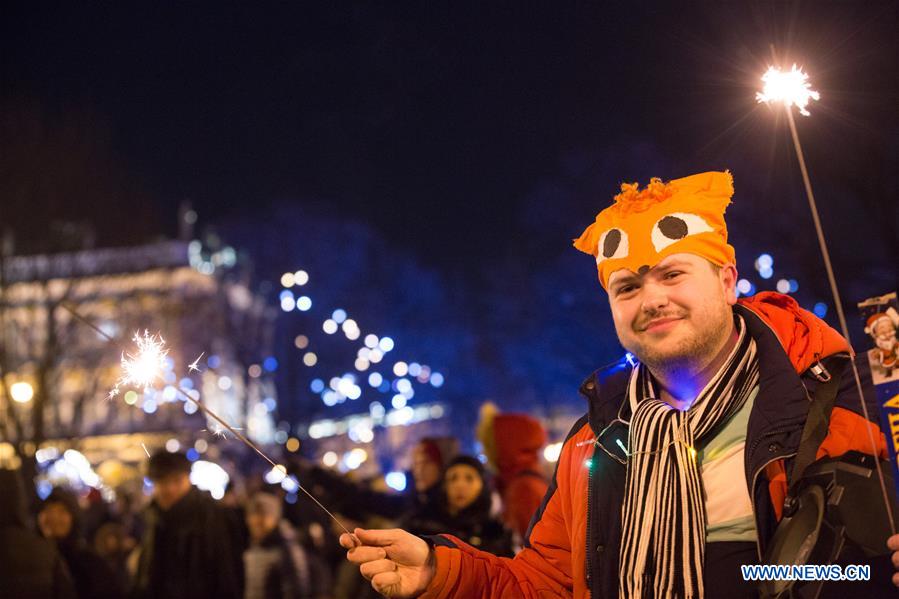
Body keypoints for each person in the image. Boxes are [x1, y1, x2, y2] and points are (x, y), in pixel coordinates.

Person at [340, 171, 899, 597]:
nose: (651, 298)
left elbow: (855, 567)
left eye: (673, 273)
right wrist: (443, 571)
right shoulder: (595, 440)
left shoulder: (837, 397)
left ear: (727, 280)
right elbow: (549, 583)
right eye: (627, 286)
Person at [131, 450, 242, 599]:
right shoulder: (152, 517)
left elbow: (226, 573)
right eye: (163, 481)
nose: (170, 489)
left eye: (177, 480)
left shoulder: (211, 515)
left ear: (187, 479)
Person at [0, 468, 76, 599]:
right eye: (49, 510)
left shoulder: (51, 552)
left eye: (62, 511)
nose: (55, 518)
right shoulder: (45, 551)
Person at [477, 404, 549, 540]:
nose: (485, 452)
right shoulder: (520, 482)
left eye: (489, 445)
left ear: (506, 445)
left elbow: (531, 547)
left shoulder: (523, 489)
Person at [38, 488, 123, 599]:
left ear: (74, 518)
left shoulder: (90, 564)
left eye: (62, 511)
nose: (53, 517)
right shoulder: (31, 558)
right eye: (48, 510)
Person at [243, 491, 326, 599]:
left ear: (274, 518)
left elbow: (295, 591)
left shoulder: (287, 549)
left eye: (263, 514)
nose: (257, 520)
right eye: (253, 514)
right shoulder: (254, 546)